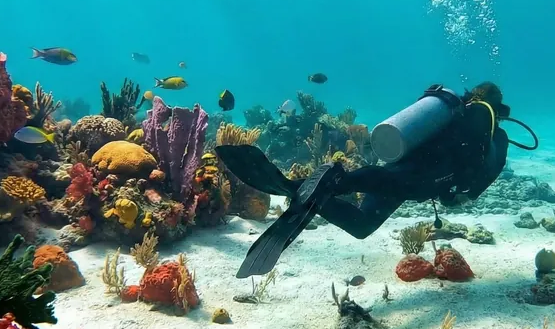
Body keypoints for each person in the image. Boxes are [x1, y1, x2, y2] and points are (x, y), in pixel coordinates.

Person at [216, 82, 538, 278]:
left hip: (408, 158)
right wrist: (457, 195)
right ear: (500, 108)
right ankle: (336, 178)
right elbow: (480, 181)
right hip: (431, 175)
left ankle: (298, 188)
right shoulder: (494, 131)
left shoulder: (456, 112)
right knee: (388, 180)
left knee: (362, 224)